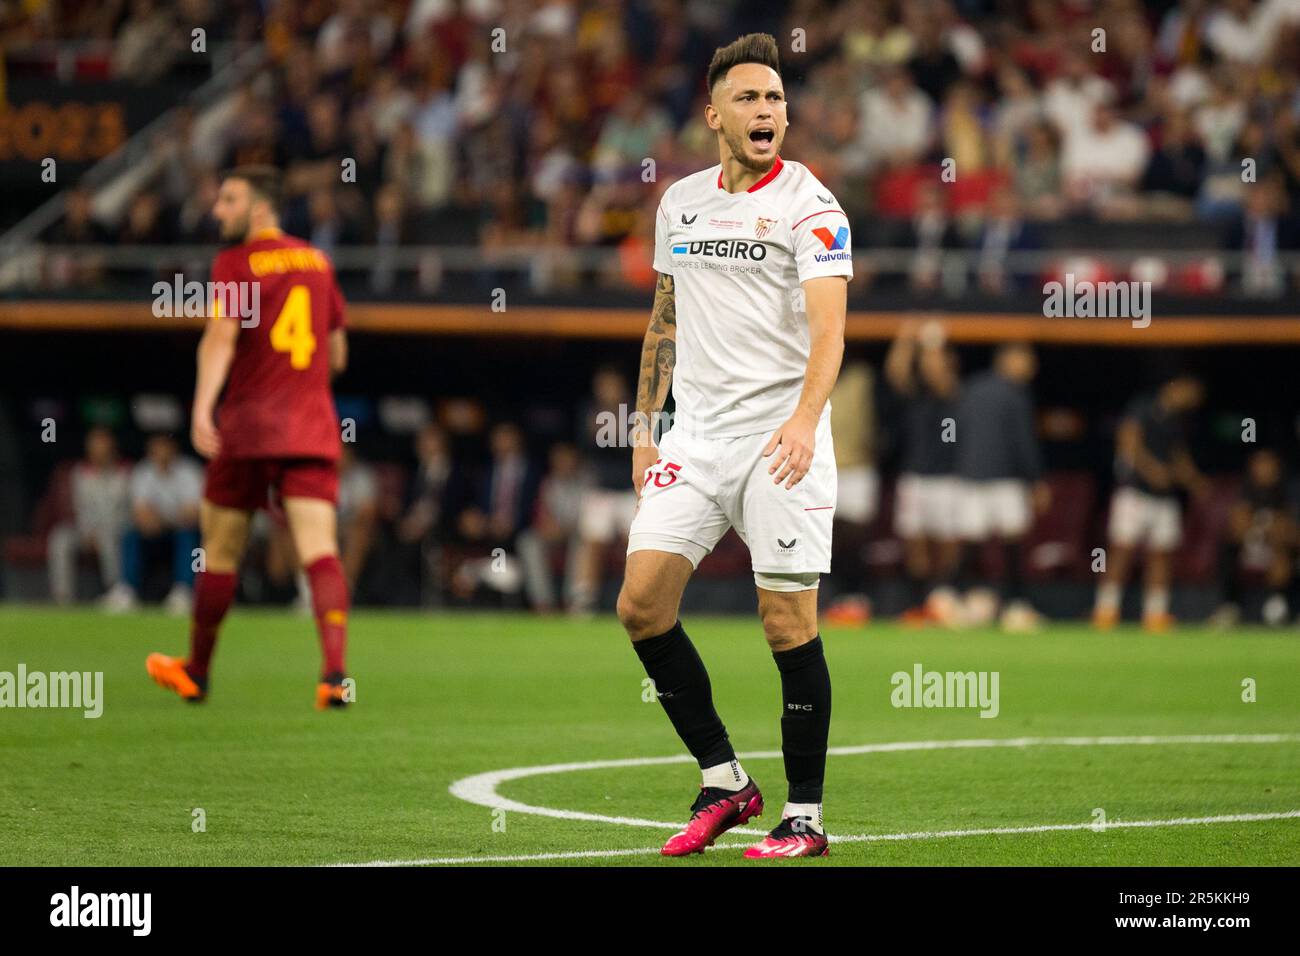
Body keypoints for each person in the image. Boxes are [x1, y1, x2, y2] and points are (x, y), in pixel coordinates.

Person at [618, 34, 851, 859]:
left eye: (777, 100)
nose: (767, 112)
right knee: (641, 605)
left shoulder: (812, 206)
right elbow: (665, 320)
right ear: (714, 114)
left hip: (780, 441)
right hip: (698, 437)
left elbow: (831, 333)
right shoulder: (679, 202)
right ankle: (726, 780)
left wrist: (802, 419)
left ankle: (807, 819)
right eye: (750, 99)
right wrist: (647, 427)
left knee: (786, 623)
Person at [145, 165, 354, 709]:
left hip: (248, 427)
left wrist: (201, 406)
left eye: (228, 200)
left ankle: (198, 671)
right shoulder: (317, 261)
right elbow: (336, 356)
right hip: (310, 428)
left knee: (219, 553)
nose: (218, 211)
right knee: (321, 553)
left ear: (259, 208)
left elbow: (220, 337)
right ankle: (334, 677)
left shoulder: (236, 263)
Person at [1093, 373, 1207, 632]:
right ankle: (1106, 610)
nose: (1194, 400)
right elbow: (1128, 442)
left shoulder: (1179, 420)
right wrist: (1151, 470)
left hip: (1165, 498)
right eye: (1192, 392)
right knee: (1122, 549)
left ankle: (1155, 613)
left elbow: (1179, 457)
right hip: (1134, 493)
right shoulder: (1142, 406)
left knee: (1161, 553)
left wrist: (1194, 481)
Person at [949, 342, 1050, 631]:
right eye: (1025, 359)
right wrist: (1036, 480)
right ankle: (1015, 606)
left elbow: (954, 433)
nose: (1030, 367)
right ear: (1008, 359)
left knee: (971, 542)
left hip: (970, 477)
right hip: (1005, 478)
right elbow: (1023, 442)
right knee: (1012, 543)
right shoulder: (1015, 394)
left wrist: (963, 467)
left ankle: (952, 597)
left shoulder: (971, 388)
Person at [884, 320, 962, 623]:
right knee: (914, 543)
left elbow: (937, 374)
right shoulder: (915, 394)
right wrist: (904, 341)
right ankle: (919, 603)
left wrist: (931, 343)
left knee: (945, 544)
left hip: (946, 479)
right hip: (915, 476)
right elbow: (896, 373)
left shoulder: (952, 391)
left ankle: (941, 597)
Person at [103, 433, 202, 615]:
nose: (160, 452)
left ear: (173, 448)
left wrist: (161, 518)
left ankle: (183, 591)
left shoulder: (189, 471)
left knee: (188, 536)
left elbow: (192, 514)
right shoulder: (143, 472)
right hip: (153, 535)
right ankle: (126, 589)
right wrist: (164, 518)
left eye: (164, 447)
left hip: (181, 534)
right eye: (156, 448)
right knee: (131, 535)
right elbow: (141, 514)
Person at [1210, 448, 1295, 627]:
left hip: (1278, 551)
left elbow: (1291, 531)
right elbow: (1237, 526)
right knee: (1228, 548)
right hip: (1250, 547)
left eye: (1267, 464)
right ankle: (1230, 606)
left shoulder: (1288, 492)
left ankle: (1277, 605)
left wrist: (1278, 533)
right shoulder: (1245, 490)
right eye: (1259, 464)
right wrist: (1259, 531)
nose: (1263, 469)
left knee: (1283, 551)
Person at [47, 427, 129, 605]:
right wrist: (88, 532)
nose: (99, 451)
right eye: (94, 446)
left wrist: (101, 531)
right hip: (85, 529)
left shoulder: (124, 473)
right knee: (59, 537)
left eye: (103, 446)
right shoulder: (79, 473)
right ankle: (62, 596)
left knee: (107, 536)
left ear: (112, 447)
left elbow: (124, 511)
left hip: (115, 529)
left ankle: (116, 592)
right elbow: (78, 509)